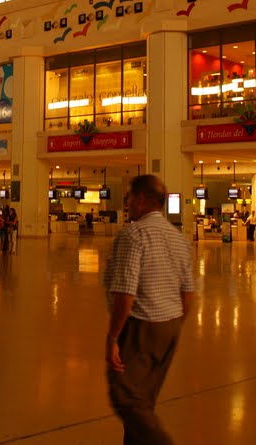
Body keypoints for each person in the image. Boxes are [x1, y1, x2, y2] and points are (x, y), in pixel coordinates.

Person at [102, 174, 195, 445]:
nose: (126, 204)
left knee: (127, 399)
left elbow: (126, 292)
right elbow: (188, 293)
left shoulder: (134, 234)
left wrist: (112, 338)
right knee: (145, 400)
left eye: (128, 198)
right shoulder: (177, 238)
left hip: (141, 327)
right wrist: (176, 326)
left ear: (143, 200)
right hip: (170, 327)